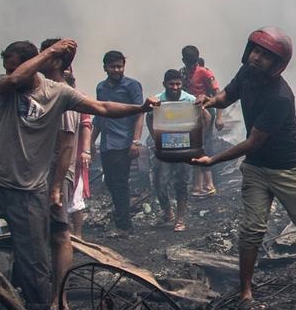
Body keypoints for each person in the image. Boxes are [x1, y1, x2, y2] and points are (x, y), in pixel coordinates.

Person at [0, 39, 156, 310]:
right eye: (8, 66)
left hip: (29, 189)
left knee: (35, 258)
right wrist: (51, 51)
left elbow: (101, 107)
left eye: (14, 64)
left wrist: (139, 108)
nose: (10, 72)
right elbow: (18, 78)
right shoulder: (3, 85)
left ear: (30, 63)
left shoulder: (57, 93)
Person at [192, 28, 296, 310]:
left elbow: (253, 142)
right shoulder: (246, 73)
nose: (257, 58)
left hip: (289, 170)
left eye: (266, 56)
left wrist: (214, 160)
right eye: (255, 51)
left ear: (277, 65)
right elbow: (227, 95)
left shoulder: (279, 97)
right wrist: (209, 100)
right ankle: (245, 292)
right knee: (251, 230)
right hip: (257, 169)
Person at [39, 39, 80, 310]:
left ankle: (59, 297)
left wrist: (56, 184)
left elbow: (66, 146)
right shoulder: (41, 90)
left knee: (59, 233)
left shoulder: (64, 95)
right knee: (44, 234)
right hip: (39, 171)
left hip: (55, 172)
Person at [93, 50, 145, 236]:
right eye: (113, 66)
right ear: (105, 67)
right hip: (107, 143)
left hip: (124, 142)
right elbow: (98, 116)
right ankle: (121, 220)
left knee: (120, 183)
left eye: (120, 66)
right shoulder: (101, 88)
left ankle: (124, 226)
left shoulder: (132, 86)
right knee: (111, 183)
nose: (117, 70)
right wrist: (91, 142)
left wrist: (136, 142)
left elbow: (140, 113)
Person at [147, 69, 194, 231]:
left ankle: (180, 219)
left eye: (178, 84)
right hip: (164, 149)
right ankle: (168, 213)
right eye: (171, 84)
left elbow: (205, 116)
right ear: (164, 84)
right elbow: (148, 117)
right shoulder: (158, 100)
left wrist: (198, 141)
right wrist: (155, 139)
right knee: (159, 182)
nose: (175, 87)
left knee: (182, 183)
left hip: (184, 149)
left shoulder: (189, 100)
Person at [181, 45, 222, 197]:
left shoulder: (205, 72)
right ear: (184, 60)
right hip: (191, 113)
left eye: (193, 62)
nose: (190, 66)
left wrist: (219, 117)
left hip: (206, 112)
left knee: (204, 146)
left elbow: (218, 95)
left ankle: (208, 184)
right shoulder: (183, 73)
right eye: (188, 62)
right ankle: (197, 185)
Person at [64, 69, 93, 239]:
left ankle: (78, 235)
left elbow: (86, 124)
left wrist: (86, 151)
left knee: (75, 197)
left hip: (74, 154)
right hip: (54, 154)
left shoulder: (78, 96)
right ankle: (64, 234)